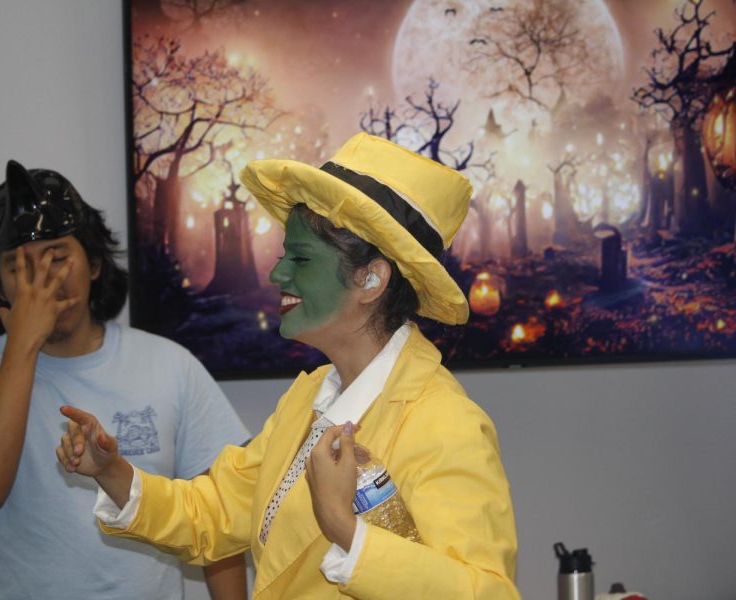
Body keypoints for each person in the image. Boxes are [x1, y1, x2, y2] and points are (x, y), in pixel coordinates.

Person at [57, 133, 521, 598]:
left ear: (371, 278)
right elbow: (217, 511)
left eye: (299, 258)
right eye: (284, 255)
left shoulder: (444, 423)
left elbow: (486, 592)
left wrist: (344, 528)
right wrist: (112, 471)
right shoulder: (311, 397)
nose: (278, 273)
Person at [0, 160, 251, 600]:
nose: (41, 282)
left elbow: (219, 516)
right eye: (18, 265)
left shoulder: (170, 365)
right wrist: (23, 344)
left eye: (57, 257)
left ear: (95, 264)